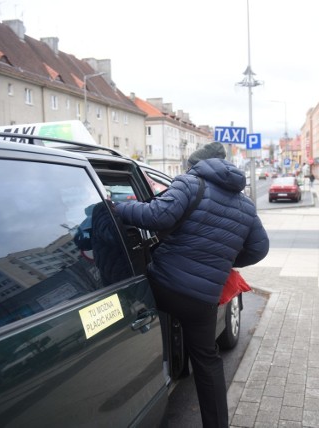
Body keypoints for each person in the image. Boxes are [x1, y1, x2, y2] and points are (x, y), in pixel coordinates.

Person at [115, 142, 269, 427]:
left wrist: (118, 209)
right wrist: (222, 259)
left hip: (165, 284)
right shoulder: (245, 204)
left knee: (126, 312)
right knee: (207, 361)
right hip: (202, 300)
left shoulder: (189, 183)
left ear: (196, 163)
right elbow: (259, 249)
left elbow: (155, 216)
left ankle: (126, 387)